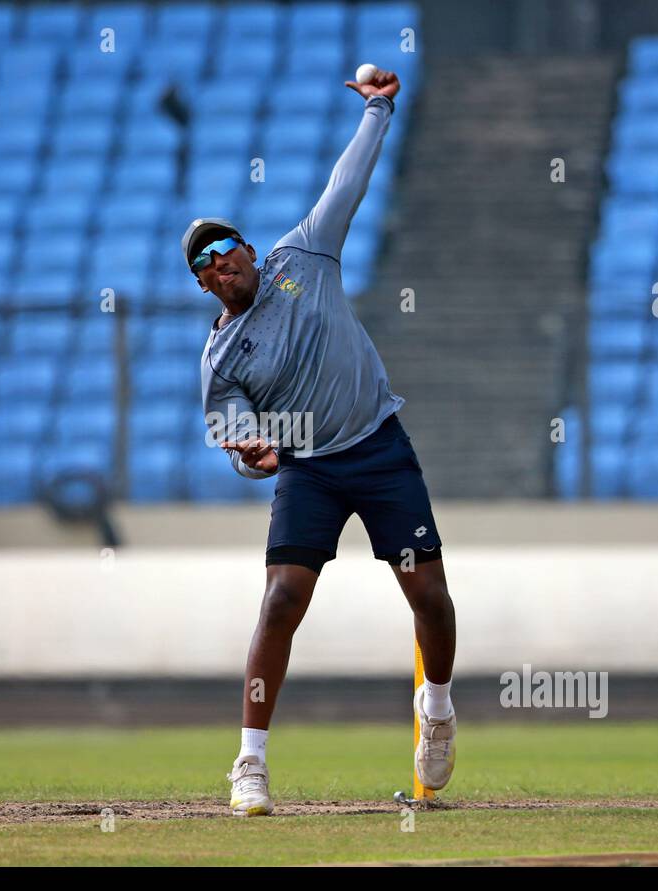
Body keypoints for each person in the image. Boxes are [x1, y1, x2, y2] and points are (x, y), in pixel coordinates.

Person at [182, 69, 458, 816]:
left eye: (227, 245)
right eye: (205, 262)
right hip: (310, 470)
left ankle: (435, 707)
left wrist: (378, 107)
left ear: (248, 247)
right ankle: (249, 763)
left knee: (429, 595)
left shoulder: (301, 258)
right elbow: (233, 431)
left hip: (377, 444)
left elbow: (348, 181)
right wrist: (252, 452)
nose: (221, 260)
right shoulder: (222, 356)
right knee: (279, 603)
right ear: (205, 287)